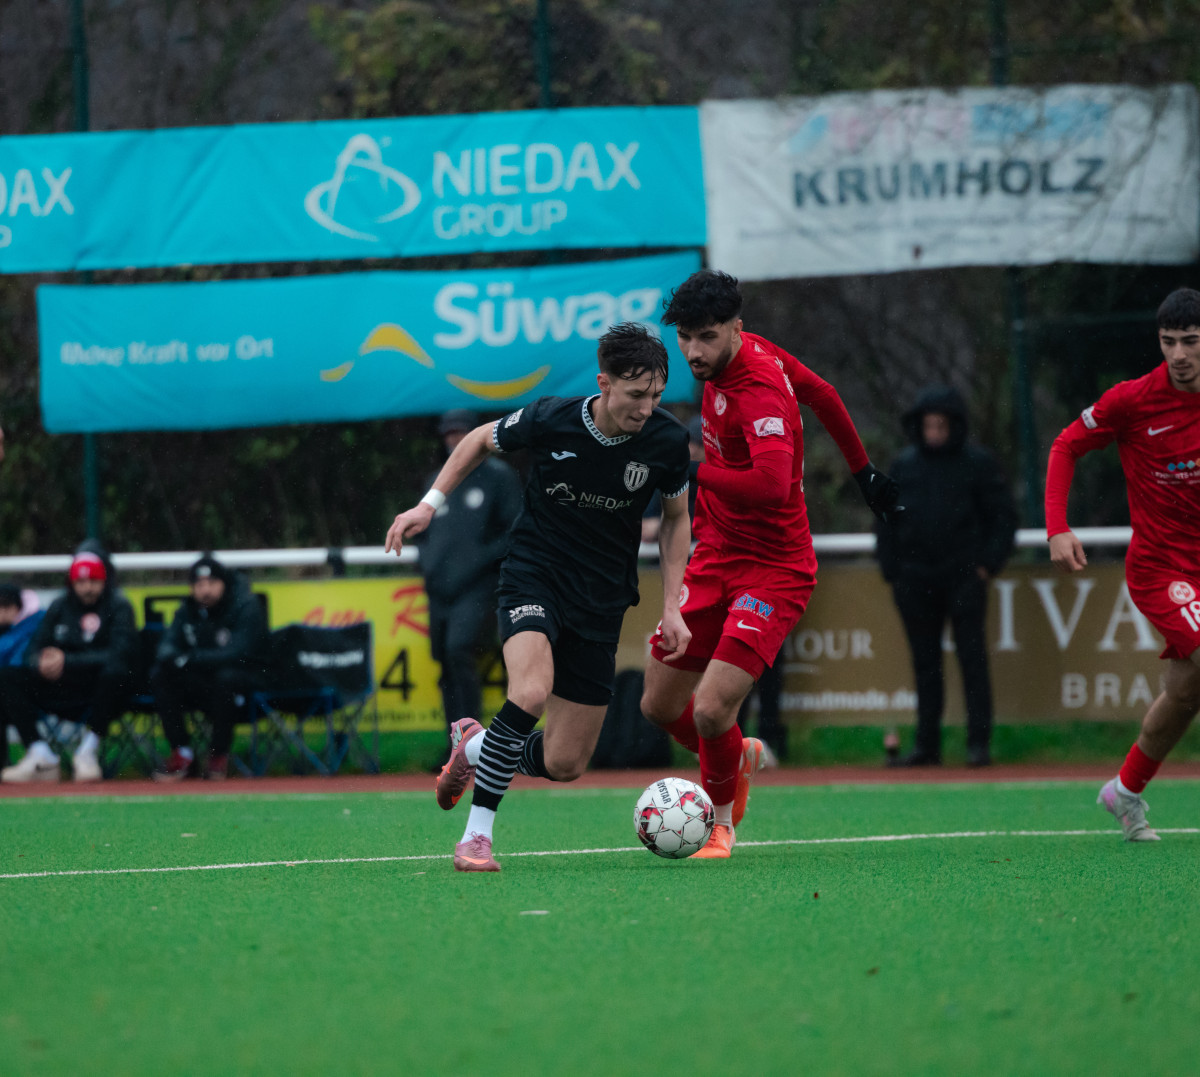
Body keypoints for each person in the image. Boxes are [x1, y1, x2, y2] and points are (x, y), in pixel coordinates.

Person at [385, 322, 693, 872]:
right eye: (634, 394)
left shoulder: (666, 441)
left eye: (656, 395)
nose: (647, 408)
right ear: (604, 383)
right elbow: (480, 438)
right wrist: (429, 504)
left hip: (601, 601)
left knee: (566, 761)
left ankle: (475, 747)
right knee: (530, 691)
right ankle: (476, 837)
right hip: (534, 576)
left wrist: (673, 603)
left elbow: (675, 521)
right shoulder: (553, 418)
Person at [639, 269, 902, 858]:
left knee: (709, 708)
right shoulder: (741, 353)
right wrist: (864, 474)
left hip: (773, 568)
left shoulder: (759, 387)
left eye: (706, 337)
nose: (693, 352)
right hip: (715, 553)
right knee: (659, 706)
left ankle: (720, 824)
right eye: (685, 337)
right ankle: (739, 754)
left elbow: (771, 486)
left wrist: (690, 470)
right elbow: (827, 393)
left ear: (736, 327)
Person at [1047, 287, 1200, 841]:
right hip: (1162, 570)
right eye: (1168, 342)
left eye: (1190, 342)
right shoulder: (1135, 400)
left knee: (1186, 691)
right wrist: (1058, 527)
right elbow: (1066, 444)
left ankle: (1126, 790)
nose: (1178, 354)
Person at [875, 385, 1017, 768]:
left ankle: (978, 744)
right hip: (915, 578)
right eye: (928, 425)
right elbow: (887, 519)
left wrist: (988, 563)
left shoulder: (978, 463)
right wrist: (892, 569)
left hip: (963, 575)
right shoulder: (905, 465)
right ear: (918, 427)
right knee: (925, 663)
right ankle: (927, 746)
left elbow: (1003, 516)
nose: (934, 432)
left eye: (941, 425)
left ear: (955, 426)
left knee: (973, 658)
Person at [416, 409, 522, 764]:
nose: (454, 439)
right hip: (439, 589)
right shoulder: (436, 480)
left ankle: (476, 745)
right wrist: (428, 564)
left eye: (461, 432)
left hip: (479, 586)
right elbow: (424, 531)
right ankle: (456, 746)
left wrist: (476, 562)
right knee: (445, 662)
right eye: (449, 434)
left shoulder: (499, 478)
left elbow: (513, 532)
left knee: (461, 651)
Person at [0, 544, 137, 783]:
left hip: (100, 692)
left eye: (94, 581)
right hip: (61, 686)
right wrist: (40, 662)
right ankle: (40, 754)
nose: (87, 588)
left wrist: (68, 660)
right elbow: (33, 649)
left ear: (104, 581)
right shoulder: (59, 606)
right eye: (81, 582)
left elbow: (120, 654)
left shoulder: (119, 607)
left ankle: (87, 751)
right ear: (72, 582)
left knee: (116, 672)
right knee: (8, 675)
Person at [151, 554, 271, 781]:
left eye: (211, 583)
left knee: (227, 677)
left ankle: (218, 755)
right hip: (202, 685)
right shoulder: (187, 609)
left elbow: (238, 653)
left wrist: (190, 659)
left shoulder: (246, 605)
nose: (205, 590)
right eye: (199, 584)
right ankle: (182, 754)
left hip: (245, 688)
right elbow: (166, 646)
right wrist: (174, 658)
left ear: (224, 583)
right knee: (161, 674)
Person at [0, 584, 44, 768]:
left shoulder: (35, 623)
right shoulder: (8, 628)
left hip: (35, 692)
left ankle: (38, 752)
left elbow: (20, 663)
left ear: (12, 607)